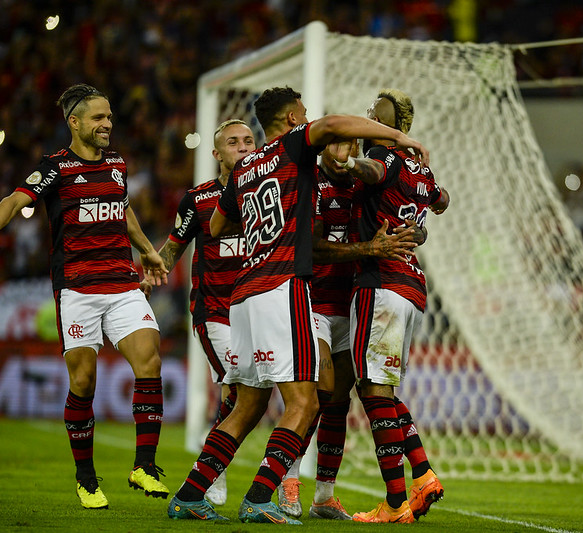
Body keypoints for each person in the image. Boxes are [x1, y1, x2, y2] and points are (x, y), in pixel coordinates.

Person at [166, 86, 429, 524]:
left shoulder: (247, 166)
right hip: (281, 286)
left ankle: (190, 494)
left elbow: (215, 223)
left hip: (243, 293)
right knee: (306, 403)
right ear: (291, 121)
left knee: (248, 404)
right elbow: (328, 127)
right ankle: (260, 497)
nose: (309, 121)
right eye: (303, 115)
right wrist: (397, 138)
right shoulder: (291, 148)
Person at [0, 84, 170, 510]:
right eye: (99, 118)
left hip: (121, 283)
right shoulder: (56, 168)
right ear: (75, 122)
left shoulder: (117, 163)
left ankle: (144, 465)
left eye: (110, 117)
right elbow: (14, 200)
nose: (107, 125)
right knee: (83, 381)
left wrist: (147, 250)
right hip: (77, 290)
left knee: (150, 359)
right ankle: (85, 477)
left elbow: (122, 209)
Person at [276, 142, 421, 521]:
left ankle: (324, 496)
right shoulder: (310, 185)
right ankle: (287, 483)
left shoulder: (364, 187)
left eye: (350, 145)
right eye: (335, 143)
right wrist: (368, 249)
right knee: (318, 394)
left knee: (339, 404)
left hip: (353, 306)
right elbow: (311, 250)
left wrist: (412, 235)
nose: (342, 151)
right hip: (313, 303)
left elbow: (405, 218)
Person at [338, 89, 450, 523]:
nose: (367, 117)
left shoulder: (387, 158)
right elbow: (442, 200)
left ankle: (397, 501)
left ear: (391, 125)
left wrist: (349, 165)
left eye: (374, 113)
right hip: (409, 287)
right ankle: (421, 476)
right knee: (377, 390)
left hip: (379, 282)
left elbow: (371, 170)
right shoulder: (420, 169)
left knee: (373, 390)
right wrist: (418, 220)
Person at [151, 119, 256, 506]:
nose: (243, 146)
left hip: (259, 310)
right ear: (216, 154)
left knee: (254, 396)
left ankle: (215, 465)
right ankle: (213, 475)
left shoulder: (269, 195)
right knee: (239, 390)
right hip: (215, 312)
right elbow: (173, 248)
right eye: (233, 142)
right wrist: (150, 270)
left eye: (248, 140)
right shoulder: (198, 199)